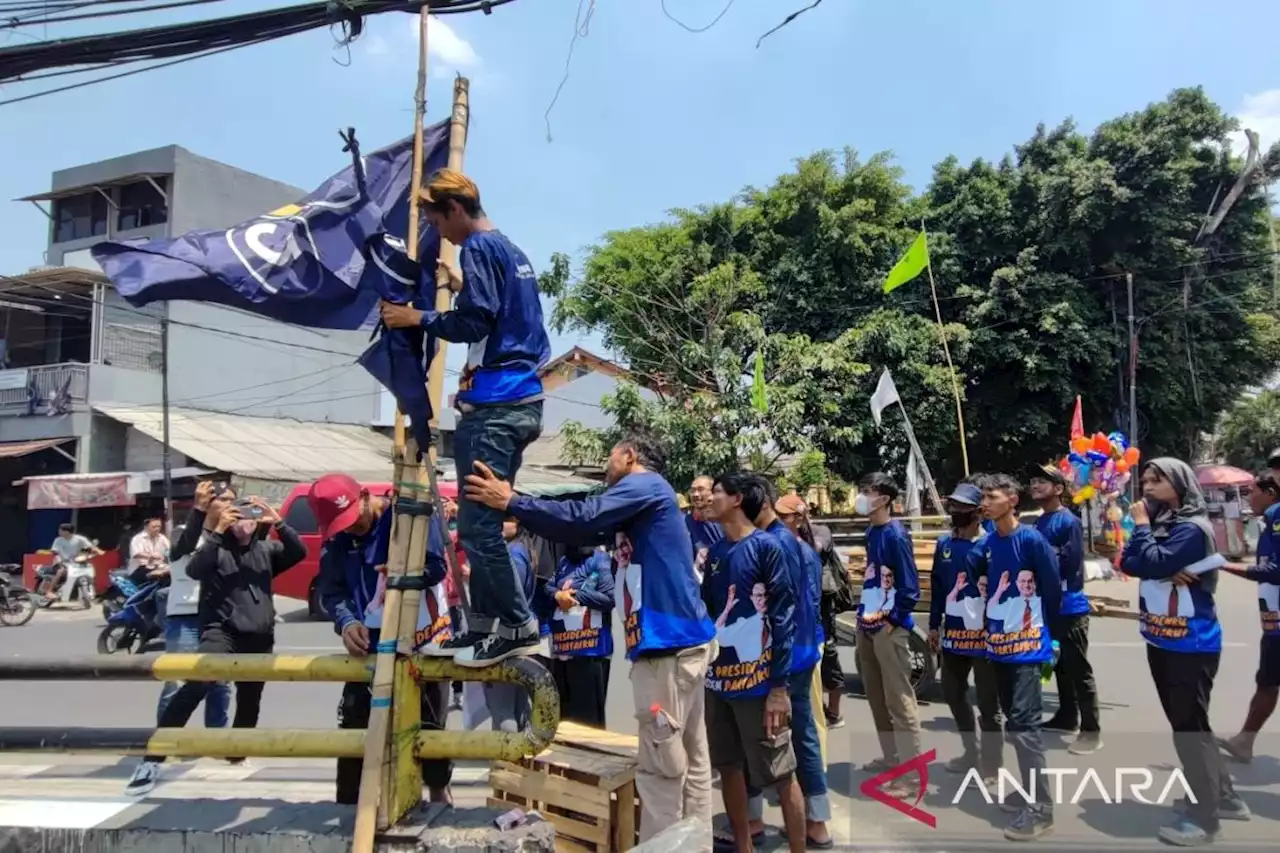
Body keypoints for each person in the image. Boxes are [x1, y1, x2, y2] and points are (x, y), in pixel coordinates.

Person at [463, 429, 715, 843]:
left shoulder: (643, 485)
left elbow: (583, 517)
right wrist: (519, 501)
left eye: (610, 456)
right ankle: (695, 842)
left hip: (667, 649)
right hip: (679, 645)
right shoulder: (645, 501)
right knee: (691, 759)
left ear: (630, 455)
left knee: (660, 771)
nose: (605, 465)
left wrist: (510, 502)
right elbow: (578, 525)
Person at [380, 168, 551, 667]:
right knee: (479, 527)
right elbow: (500, 313)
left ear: (454, 209)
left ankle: (516, 626)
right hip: (514, 398)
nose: (437, 231)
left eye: (435, 219)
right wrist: (459, 286)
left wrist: (418, 317)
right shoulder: (509, 250)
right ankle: (483, 627)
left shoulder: (477, 249)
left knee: (478, 531)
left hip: (498, 405)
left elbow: (476, 320)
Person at [125, 497, 306, 797]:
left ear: (257, 521)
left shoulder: (267, 551)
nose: (242, 521)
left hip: (259, 636)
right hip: (221, 633)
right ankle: (152, 760)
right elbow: (195, 569)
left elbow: (299, 551)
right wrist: (220, 531)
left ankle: (236, 753)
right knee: (195, 686)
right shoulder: (216, 549)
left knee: (250, 699)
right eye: (236, 515)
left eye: (249, 515)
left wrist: (277, 521)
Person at [1122, 458, 1249, 845]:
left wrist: (1147, 539)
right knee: (1191, 724)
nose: (1146, 487)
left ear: (1178, 483)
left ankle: (1205, 820)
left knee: (1189, 729)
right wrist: (1155, 560)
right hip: (1161, 637)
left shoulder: (1192, 528)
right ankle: (1223, 797)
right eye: (1144, 479)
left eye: (1155, 480)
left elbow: (1155, 561)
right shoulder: (1166, 525)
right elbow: (1130, 562)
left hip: (1190, 642)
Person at [310, 474, 453, 806]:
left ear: (363, 495)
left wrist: (403, 577)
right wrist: (347, 622)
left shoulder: (409, 518)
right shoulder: (337, 541)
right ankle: (349, 810)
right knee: (355, 728)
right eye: (339, 525)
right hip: (367, 649)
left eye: (352, 519)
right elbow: (333, 592)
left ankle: (439, 799)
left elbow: (437, 568)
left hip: (420, 640)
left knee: (429, 729)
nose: (350, 528)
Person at [702, 473, 805, 853]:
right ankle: (743, 846)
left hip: (760, 688)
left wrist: (779, 688)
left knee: (782, 773)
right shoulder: (715, 554)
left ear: (737, 499)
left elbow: (783, 618)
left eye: (716, 492)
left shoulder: (767, 547)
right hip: (718, 685)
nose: (709, 499)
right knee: (728, 767)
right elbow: (709, 617)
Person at [965, 473, 1060, 841]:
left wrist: (1047, 639)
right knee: (1014, 725)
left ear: (1013, 501)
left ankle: (1041, 808)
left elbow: (1051, 592)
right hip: (997, 647)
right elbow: (975, 574)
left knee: (1025, 727)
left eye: (991, 496)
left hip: (1026, 648)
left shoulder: (1032, 541)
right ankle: (1028, 791)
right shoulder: (988, 543)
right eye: (983, 497)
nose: (984, 503)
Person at [750, 485, 831, 849]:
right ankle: (816, 820)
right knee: (805, 736)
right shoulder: (807, 551)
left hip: (780, 655)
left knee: (756, 733)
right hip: (803, 650)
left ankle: (753, 817)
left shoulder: (769, 546)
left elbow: (777, 611)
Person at [853, 472, 922, 794]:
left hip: (888, 627)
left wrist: (892, 621)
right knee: (876, 696)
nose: (862, 496)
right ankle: (891, 756)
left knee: (899, 701)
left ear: (884, 499)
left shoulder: (895, 535)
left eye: (868, 491)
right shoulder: (872, 532)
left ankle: (911, 774)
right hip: (868, 620)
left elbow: (909, 586)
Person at [928, 483, 1000, 781]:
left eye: (961, 507)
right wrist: (933, 625)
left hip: (983, 638)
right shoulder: (944, 545)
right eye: (952, 506)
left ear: (978, 513)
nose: (955, 512)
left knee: (987, 703)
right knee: (954, 695)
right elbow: (937, 588)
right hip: (953, 635)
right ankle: (971, 752)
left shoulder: (990, 545)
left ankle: (992, 764)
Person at [1029, 465, 1101, 754]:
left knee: (1078, 667)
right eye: (1033, 480)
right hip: (1048, 606)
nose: (1034, 485)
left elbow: (1068, 563)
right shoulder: (1039, 522)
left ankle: (1092, 729)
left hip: (1069, 605)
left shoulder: (1067, 521)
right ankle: (1067, 716)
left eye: (1042, 481)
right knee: (1058, 663)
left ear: (1058, 489)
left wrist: (1039, 561)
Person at [155, 482, 233, 732]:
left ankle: (217, 742)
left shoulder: (228, 538)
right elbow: (184, 548)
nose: (231, 505)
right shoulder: (182, 532)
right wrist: (198, 511)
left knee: (220, 683)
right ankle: (165, 742)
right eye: (225, 500)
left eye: (234, 499)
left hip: (217, 620)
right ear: (208, 504)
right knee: (177, 682)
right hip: (186, 618)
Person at [1220, 470, 1280, 764]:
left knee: (1268, 681)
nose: (1248, 498)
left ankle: (1245, 739)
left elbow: (1275, 571)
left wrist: (1221, 565)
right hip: (1272, 619)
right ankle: (1245, 740)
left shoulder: (1278, 517)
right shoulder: (1270, 519)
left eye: (1252, 491)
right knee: (1267, 681)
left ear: (1271, 493)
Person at [779, 495, 848, 728]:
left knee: (828, 655)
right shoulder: (785, 539)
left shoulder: (818, 534)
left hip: (822, 606)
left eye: (783, 516)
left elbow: (816, 550)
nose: (778, 521)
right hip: (804, 610)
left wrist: (794, 539)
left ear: (800, 516)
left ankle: (834, 712)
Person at [546, 543, 615, 726]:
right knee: (564, 720)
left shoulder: (599, 559)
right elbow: (549, 587)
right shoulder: (564, 561)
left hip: (591, 651)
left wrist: (576, 596)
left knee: (588, 723)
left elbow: (609, 598)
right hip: (563, 650)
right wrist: (558, 596)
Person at [44, 522, 103, 600]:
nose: (59, 531)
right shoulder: (58, 540)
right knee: (61, 571)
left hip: (75, 562)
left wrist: (98, 551)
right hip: (61, 561)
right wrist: (59, 558)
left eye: (60, 530)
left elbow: (90, 546)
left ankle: (90, 591)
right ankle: (49, 591)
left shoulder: (80, 539)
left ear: (66, 532)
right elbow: (55, 551)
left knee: (88, 568)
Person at [687, 475, 724, 582]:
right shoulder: (684, 523)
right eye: (692, 490)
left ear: (713, 493)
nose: (695, 494)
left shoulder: (723, 523)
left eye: (700, 489)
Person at [128, 516, 171, 588]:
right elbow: (136, 553)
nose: (157, 529)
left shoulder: (162, 538)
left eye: (159, 527)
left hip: (157, 567)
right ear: (146, 527)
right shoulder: (138, 538)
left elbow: (169, 550)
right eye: (154, 527)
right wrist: (151, 556)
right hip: (139, 569)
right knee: (157, 576)